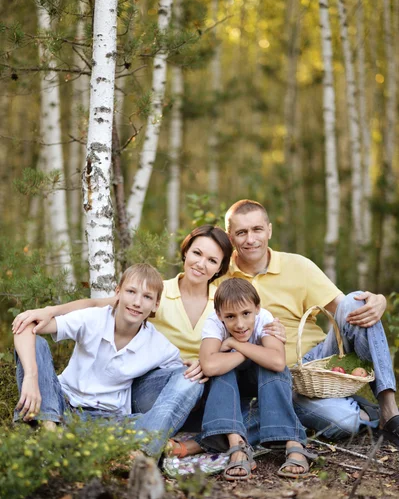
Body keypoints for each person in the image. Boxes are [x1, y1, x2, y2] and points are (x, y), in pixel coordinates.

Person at [218, 199, 399, 446]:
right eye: (241, 232)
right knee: (345, 420)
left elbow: (345, 309)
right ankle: (358, 412)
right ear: (230, 237)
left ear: (269, 230)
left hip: (317, 361)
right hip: (277, 377)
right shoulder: (220, 276)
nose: (251, 239)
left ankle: (389, 409)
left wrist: (378, 301)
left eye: (257, 230)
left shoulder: (297, 265)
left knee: (356, 302)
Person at [13, 264, 204, 459]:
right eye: (131, 292)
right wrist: (30, 376)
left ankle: (142, 452)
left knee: (191, 379)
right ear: (118, 293)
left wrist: (192, 366)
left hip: (112, 421)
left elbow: (179, 384)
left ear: (156, 305)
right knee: (35, 344)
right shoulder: (93, 319)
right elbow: (27, 326)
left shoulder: (159, 345)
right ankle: (49, 435)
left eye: (147, 297)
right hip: (63, 406)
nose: (137, 302)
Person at [199, 278, 313, 480]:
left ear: (257, 308)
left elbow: (278, 362)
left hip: (263, 387)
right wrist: (255, 351)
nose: (240, 324)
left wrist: (236, 343)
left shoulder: (265, 319)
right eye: (230, 317)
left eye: (246, 314)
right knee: (221, 370)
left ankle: (293, 441)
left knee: (272, 368)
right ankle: (237, 445)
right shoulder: (213, 323)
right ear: (219, 315)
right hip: (229, 391)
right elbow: (209, 365)